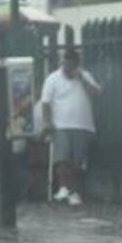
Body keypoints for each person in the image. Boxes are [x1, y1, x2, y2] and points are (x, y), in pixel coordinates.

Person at [40, 47, 102, 206]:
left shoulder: (86, 76)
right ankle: (63, 187)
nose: (70, 68)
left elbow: (96, 93)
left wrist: (82, 79)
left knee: (77, 161)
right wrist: (47, 121)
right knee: (62, 158)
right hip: (61, 124)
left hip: (82, 124)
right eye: (67, 63)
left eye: (73, 64)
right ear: (63, 63)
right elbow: (46, 102)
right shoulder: (53, 79)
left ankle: (74, 190)